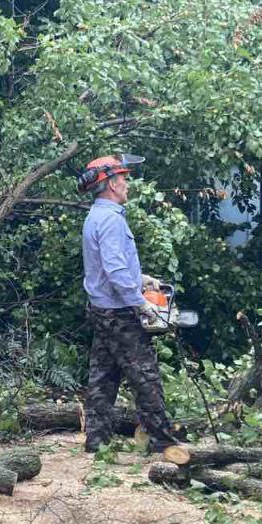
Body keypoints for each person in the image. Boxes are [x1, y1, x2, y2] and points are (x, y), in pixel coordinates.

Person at [77, 154, 177, 453]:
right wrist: (141, 303)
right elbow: (115, 270)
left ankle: (97, 440)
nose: (127, 184)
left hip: (102, 308)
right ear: (109, 183)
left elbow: (114, 267)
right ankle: (162, 441)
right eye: (123, 179)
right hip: (119, 313)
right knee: (145, 375)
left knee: (103, 375)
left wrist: (141, 278)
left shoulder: (98, 215)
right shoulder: (109, 220)